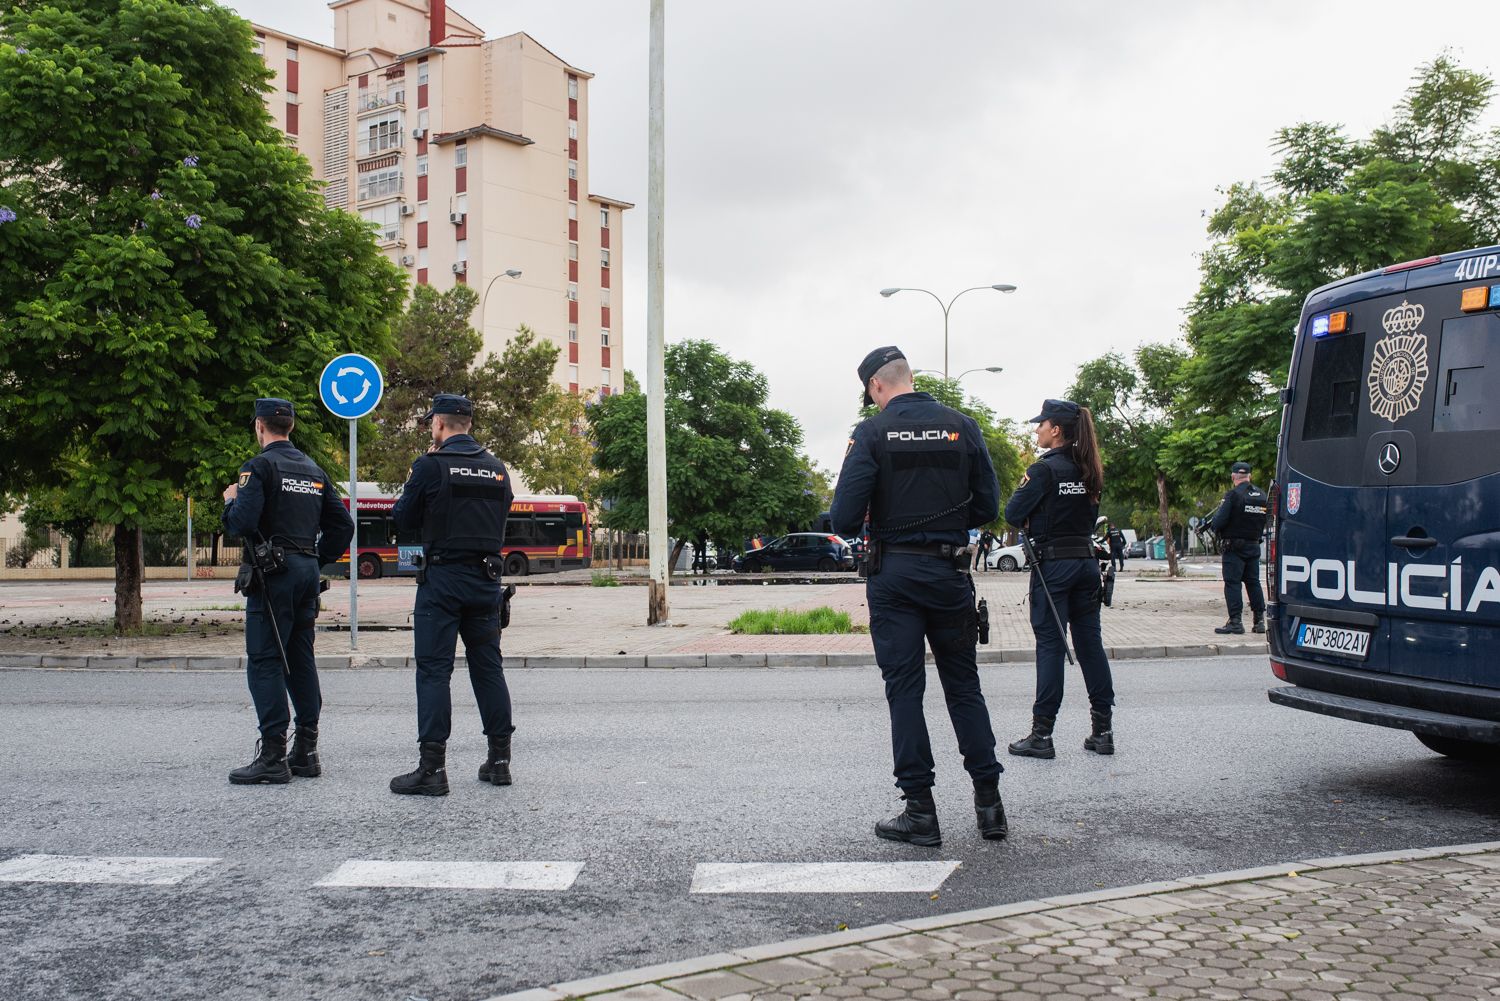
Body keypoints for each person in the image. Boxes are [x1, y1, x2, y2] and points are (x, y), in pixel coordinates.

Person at [831, 346, 1006, 847]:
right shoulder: (963, 426)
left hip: (895, 577)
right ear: (910, 377)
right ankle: (990, 807)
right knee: (963, 686)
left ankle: (921, 813)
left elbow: (843, 519)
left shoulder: (871, 433)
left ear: (875, 387)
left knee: (905, 690)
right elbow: (989, 506)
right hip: (950, 573)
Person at [389, 394, 517, 796]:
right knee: (488, 668)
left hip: (442, 580)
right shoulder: (498, 470)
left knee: (433, 671)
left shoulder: (430, 465)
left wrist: (422, 479)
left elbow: (403, 518)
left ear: (439, 425)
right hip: (486, 582)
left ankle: (432, 769)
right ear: (470, 425)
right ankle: (499, 762)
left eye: (432, 423)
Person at [222, 398, 354, 785]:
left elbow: (242, 523)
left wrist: (230, 501)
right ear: (291, 427)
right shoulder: (314, 470)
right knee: (300, 659)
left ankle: (273, 756)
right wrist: (314, 560)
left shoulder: (258, 467)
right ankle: (307, 751)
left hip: (273, 576)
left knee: (265, 660)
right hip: (305, 573)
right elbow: (343, 526)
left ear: (260, 427)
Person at [1004, 399, 1116, 759]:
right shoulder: (1090, 470)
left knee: (1051, 646)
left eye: (1041, 424)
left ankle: (1042, 735)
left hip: (1053, 568)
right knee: (1090, 646)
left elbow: (1012, 512)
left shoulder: (1044, 470)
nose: (1036, 429)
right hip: (1085, 565)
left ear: (1056, 430)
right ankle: (1103, 731)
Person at [1210, 461, 1268, 635]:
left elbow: (1218, 522)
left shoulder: (1233, 495)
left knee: (1233, 583)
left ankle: (1235, 621)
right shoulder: (1261, 495)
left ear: (1233, 476)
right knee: (1253, 583)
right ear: (1250, 476)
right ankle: (1259, 621)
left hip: (1234, 547)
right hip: (1254, 545)